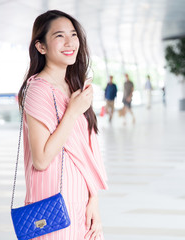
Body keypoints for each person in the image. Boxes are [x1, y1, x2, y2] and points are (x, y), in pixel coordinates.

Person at [17, 10, 107, 240]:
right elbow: (41, 158)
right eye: (59, 36)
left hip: (80, 198)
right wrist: (73, 112)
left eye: (73, 34)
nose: (70, 42)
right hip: (52, 201)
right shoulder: (38, 89)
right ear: (41, 47)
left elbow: (85, 152)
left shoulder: (74, 87)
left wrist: (93, 199)